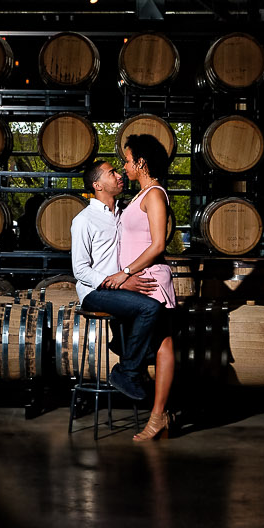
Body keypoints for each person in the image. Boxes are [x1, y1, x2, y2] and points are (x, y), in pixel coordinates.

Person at [70, 157, 161, 410]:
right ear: (97, 185)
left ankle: (122, 344)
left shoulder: (122, 213)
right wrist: (119, 283)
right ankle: (126, 372)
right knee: (149, 309)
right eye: (112, 173)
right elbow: (80, 270)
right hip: (94, 292)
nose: (119, 175)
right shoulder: (84, 220)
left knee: (157, 308)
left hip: (120, 290)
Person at [115, 133, 177, 442]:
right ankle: (159, 415)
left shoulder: (154, 195)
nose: (124, 166)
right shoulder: (141, 194)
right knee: (159, 345)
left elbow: (158, 245)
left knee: (163, 346)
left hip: (149, 279)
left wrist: (126, 272)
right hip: (138, 281)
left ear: (141, 162)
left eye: (127, 161)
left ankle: (158, 416)